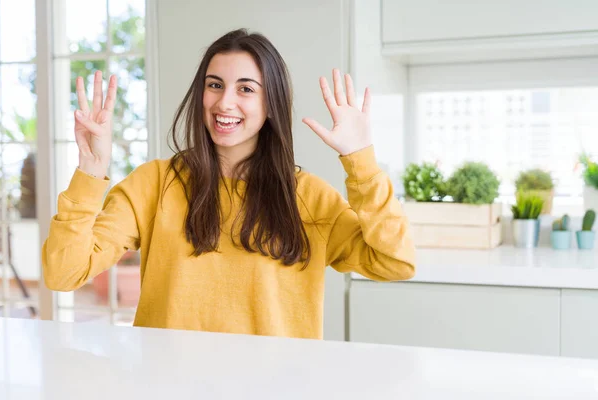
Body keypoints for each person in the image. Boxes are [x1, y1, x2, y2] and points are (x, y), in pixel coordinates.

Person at [42, 28, 415, 339]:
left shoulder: (310, 198)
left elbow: (395, 263)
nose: (224, 102)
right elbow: (64, 273)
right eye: (215, 85)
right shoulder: (154, 184)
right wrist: (91, 170)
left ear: (272, 103)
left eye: (246, 89)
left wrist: (361, 161)